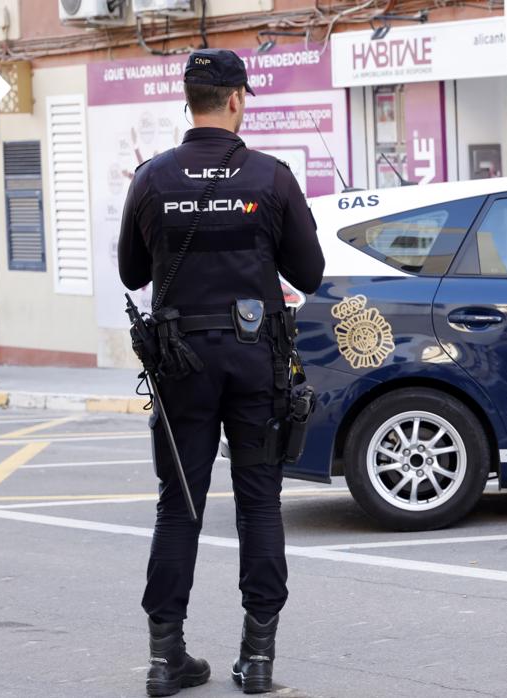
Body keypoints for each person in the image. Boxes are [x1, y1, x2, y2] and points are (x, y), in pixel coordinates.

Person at [117, 48, 324, 697]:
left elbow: (131, 274)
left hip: (182, 364)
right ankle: (257, 659)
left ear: (189, 98)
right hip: (255, 359)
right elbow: (310, 275)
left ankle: (164, 659)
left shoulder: (152, 178)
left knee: (178, 505)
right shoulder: (270, 177)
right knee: (260, 500)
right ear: (236, 100)